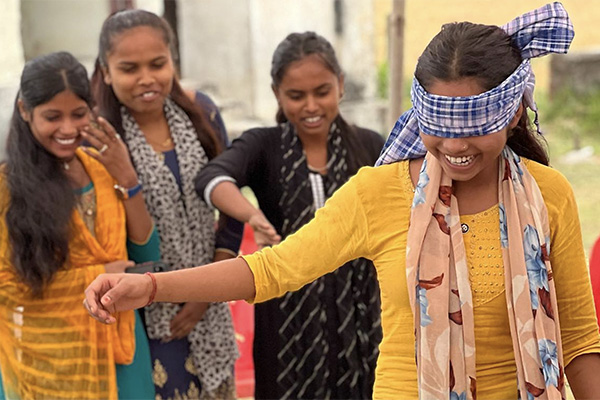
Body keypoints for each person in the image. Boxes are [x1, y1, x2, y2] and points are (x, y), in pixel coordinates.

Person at [84, 3, 600, 399]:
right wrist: (150, 286)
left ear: (512, 115)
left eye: (476, 127)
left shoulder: (546, 194)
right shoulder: (379, 193)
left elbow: (577, 339)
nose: (456, 147)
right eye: (440, 129)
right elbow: (272, 271)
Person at [194, 31, 384, 399]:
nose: (311, 105)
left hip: (362, 309)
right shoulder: (264, 146)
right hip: (286, 314)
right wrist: (252, 216)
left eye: (322, 92)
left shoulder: (369, 145)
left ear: (340, 85)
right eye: (296, 96)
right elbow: (212, 178)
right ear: (277, 94)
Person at [90, 9, 241, 400]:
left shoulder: (201, 113)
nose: (146, 79)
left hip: (210, 304)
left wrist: (205, 293)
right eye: (128, 68)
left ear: (172, 60)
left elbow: (228, 201)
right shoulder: (101, 137)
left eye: (158, 64)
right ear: (106, 71)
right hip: (142, 316)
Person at [0, 51, 155, 399]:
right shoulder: (8, 189)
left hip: (122, 346)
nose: (68, 129)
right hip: (48, 361)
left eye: (79, 114)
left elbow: (146, 254)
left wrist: (128, 178)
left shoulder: (103, 168)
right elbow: (5, 286)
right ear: (25, 111)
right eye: (52, 117)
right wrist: (98, 275)